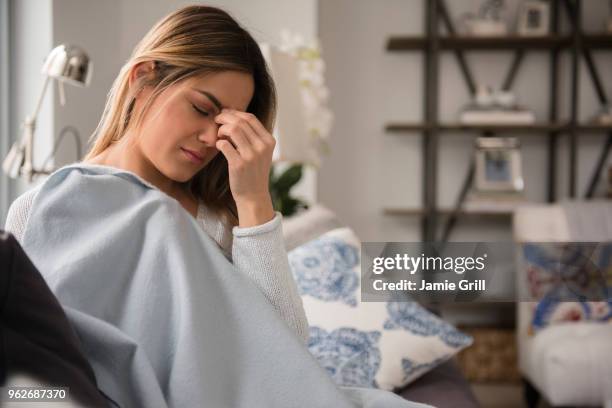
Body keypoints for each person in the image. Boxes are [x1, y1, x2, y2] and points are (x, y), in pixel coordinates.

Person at [4, 4, 308, 345]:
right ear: (143, 79)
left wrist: (254, 200)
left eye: (225, 124)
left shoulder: (222, 225)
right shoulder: (38, 211)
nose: (211, 138)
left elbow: (288, 354)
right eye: (201, 109)